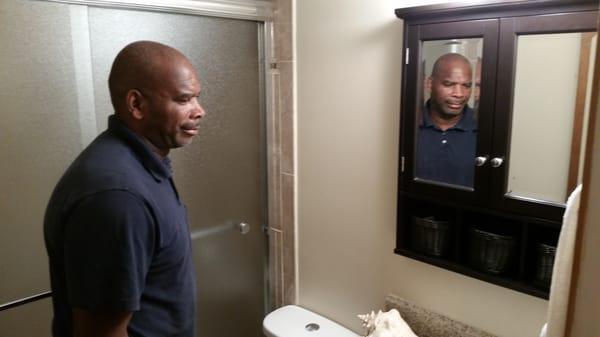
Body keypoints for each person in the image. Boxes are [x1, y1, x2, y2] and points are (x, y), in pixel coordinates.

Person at [44, 40, 205, 337]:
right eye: (184, 100)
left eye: (197, 98)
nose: (199, 111)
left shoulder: (142, 165)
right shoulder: (118, 197)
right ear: (136, 105)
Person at [416, 53, 477, 187]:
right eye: (449, 84)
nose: (459, 94)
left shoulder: (484, 128)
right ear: (429, 84)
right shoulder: (408, 125)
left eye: (466, 86)